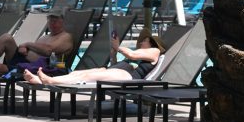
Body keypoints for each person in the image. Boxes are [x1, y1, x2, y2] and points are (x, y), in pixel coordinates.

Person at [23, 29, 166, 85]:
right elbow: (130, 57)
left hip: (129, 75)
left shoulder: (154, 51)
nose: (141, 42)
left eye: (144, 41)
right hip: (121, 69)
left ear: (152, 43)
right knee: (79, 73)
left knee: (86, 79)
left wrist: (117, 46)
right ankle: (42, 80)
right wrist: (114, 54)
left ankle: (50, 81)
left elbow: (131, 54)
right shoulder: (146, 55)